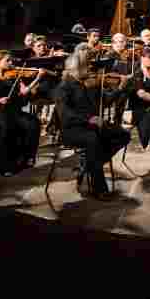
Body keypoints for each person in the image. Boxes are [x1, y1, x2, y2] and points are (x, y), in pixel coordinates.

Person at [54, 50, 131, 199]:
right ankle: (99, 188)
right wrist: (89, 119)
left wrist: (120, 89)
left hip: (91, 126)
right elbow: (66, 115)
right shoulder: (63, 88)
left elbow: (106, 101)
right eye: (86, 66)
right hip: (72, 130)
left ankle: (89, 165)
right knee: (93, 140)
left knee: (122, 134)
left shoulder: (87, 85)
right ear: (75, 69)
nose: (90, 69)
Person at [0, 51, 45, 175]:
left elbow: (24, 92)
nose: (11, 63)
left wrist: (38, 78)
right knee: (7, 127)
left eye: (11, 61)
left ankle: (25, 159)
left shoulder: (15, 76)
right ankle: (1, 167)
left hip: (14, 112)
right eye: (7, 60)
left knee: (33, 123)